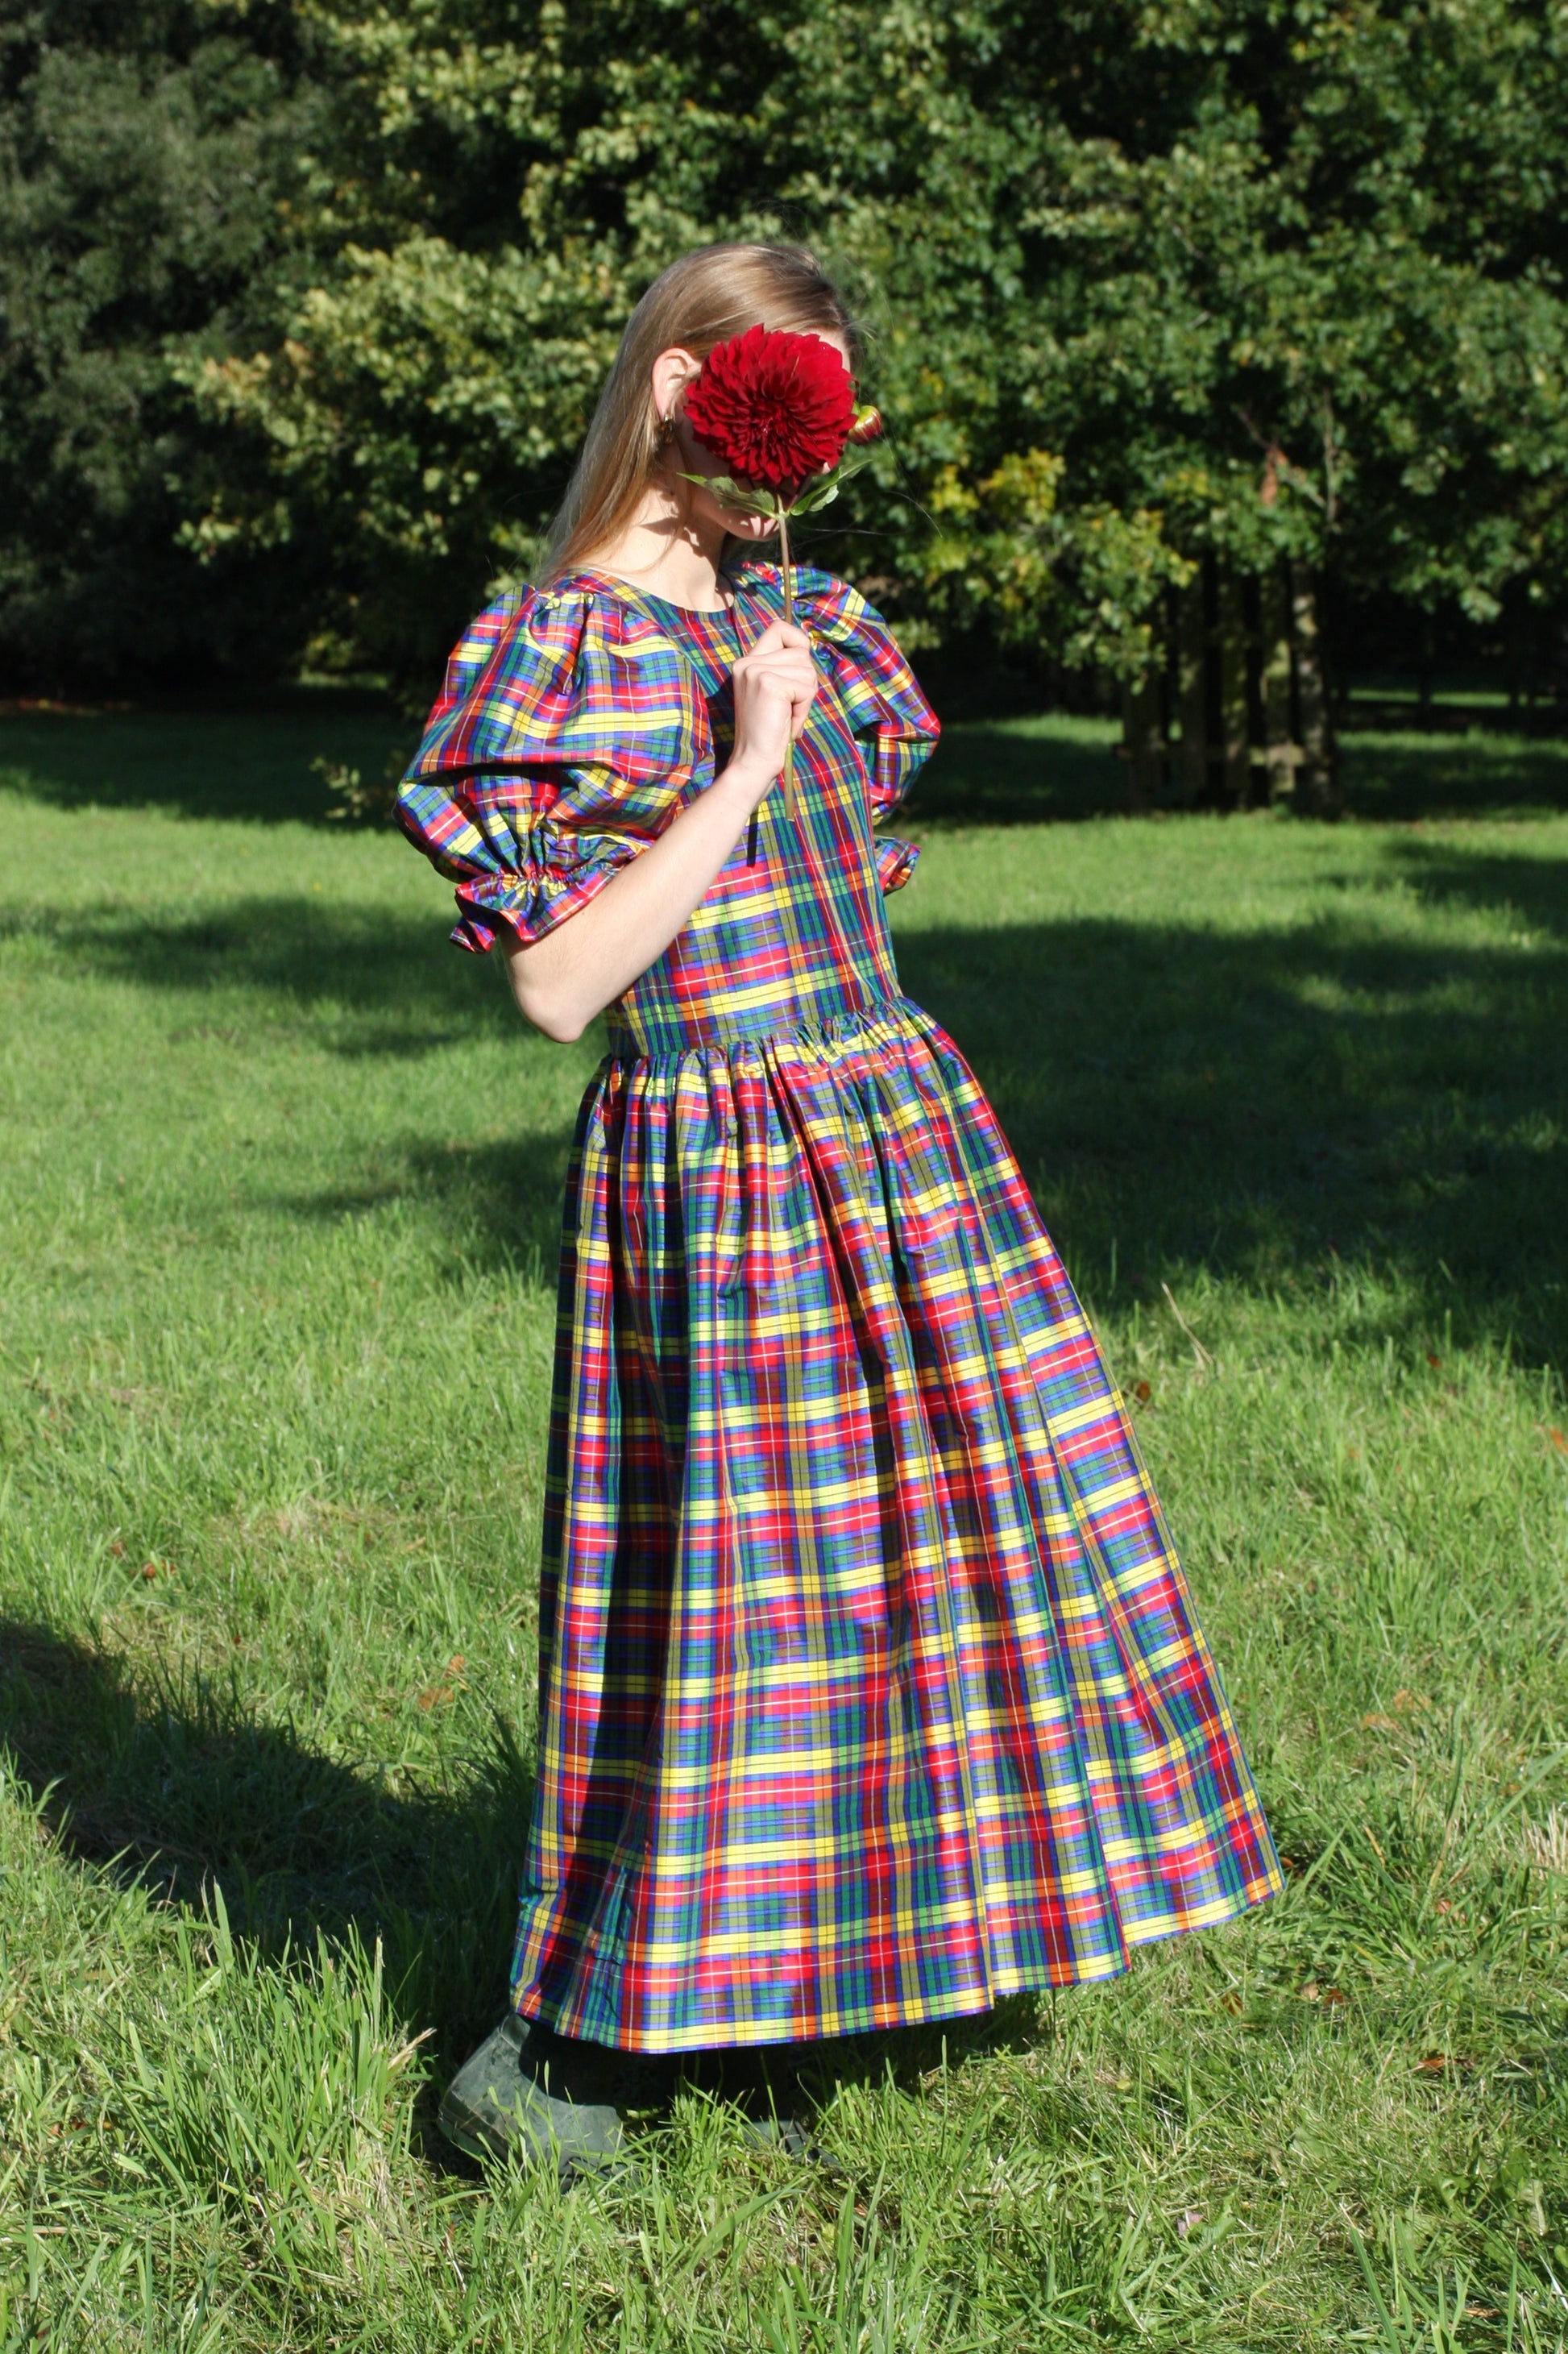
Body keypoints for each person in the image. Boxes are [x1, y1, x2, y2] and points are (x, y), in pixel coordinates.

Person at [396, 242, 1283, 2175]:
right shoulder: (552, 644)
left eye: (813, 420)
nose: (780, 464)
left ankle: (880, 1956)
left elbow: (848, 898)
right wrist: (743, 767)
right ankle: (574, 2053)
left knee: (933, 1562)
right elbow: (559, 987)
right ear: (666, 389)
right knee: (727, 1599)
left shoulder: (802, 612)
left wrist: (787, 722)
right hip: (711, 1160)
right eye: (753, 405)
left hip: (883, 1118)